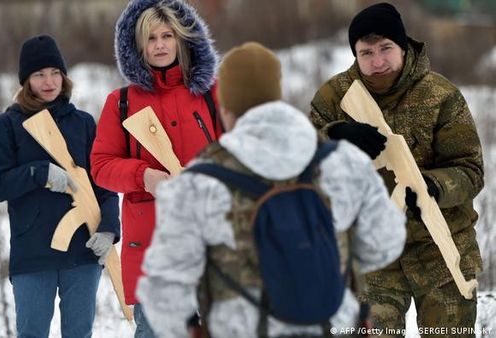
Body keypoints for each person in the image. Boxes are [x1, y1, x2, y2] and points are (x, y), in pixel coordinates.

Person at [136, 42, 406, 338]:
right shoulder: (343, 161)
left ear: (225, 108)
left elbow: (163, 289)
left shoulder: (198, 183)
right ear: (277, 96)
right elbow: (385, 243)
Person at [310, 2, 484, 335]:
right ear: (355, 55)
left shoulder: (442, 96)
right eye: (366, 52)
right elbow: (301, 157)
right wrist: (336, 137)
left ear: (403, 47)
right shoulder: (335, 97)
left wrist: (433, 188)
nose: (376, 62)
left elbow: (470, 170)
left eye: (386, 48)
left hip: (441, 246)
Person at [90, 0, 222, 336]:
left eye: (167, 35)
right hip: (153, 246)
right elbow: (101, 166)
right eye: (151, 38)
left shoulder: (211, 94)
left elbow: (241, 153)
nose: (160, 45)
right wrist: (143, 176)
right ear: (137, 46)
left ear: (182, 40)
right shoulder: (120, 102)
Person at [0, 35, 120, 338]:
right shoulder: (8, 126)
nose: (49, 81)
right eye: (39, 74)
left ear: (64, 76)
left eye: (55, 72)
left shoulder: (83, 123)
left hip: (82, 253)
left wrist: (109, 226)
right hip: (33, 256)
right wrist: (38, 173)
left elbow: (104, 182)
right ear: (26, 81)